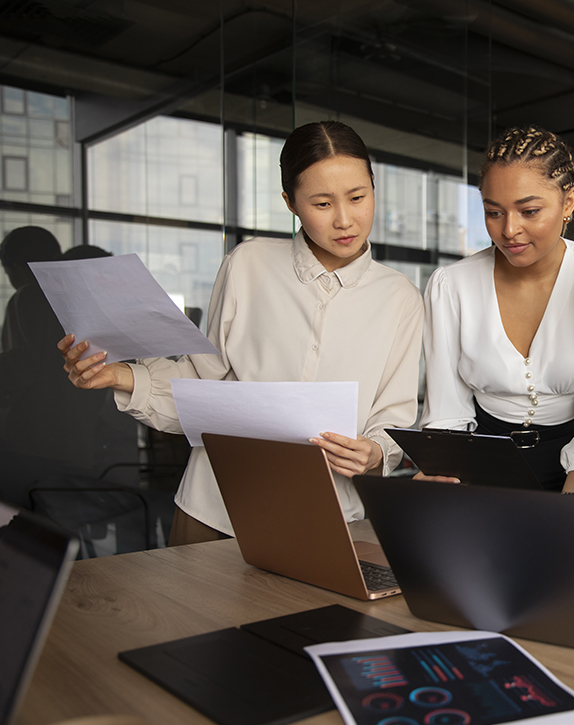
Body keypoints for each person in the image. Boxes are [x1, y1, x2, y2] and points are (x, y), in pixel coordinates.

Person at [59, 120, 424, 545]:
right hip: (214, 508)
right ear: (290, 202)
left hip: (326, 517)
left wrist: (376, 452)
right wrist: (120, 375)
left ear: (373, 189)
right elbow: (203, 382)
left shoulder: (401, 297)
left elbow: (394, 418)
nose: (345, 220)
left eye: (358, 197)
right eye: (322, 204)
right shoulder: (247, 264)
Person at [420, 125, 574, 493]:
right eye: (493, 212)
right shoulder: (450, 285)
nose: (509, 230)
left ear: (568, 202)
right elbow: (446, 410)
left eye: (530, 210)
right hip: (479, 468)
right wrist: (446, 475)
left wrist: (573, 503)